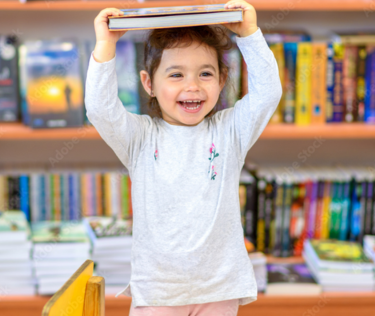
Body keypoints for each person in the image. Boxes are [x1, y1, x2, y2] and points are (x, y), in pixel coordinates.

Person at [85, 0, 282, 315]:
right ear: (149, 84)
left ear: (221, 80)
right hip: (159, 293)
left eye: (205, 73)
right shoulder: (140, 138)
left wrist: (248, 34)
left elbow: (267, 94)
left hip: (219, 288)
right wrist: (106, 44)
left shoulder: (230, 131)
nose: (192, 86)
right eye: (176, 75)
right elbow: (99, 109)